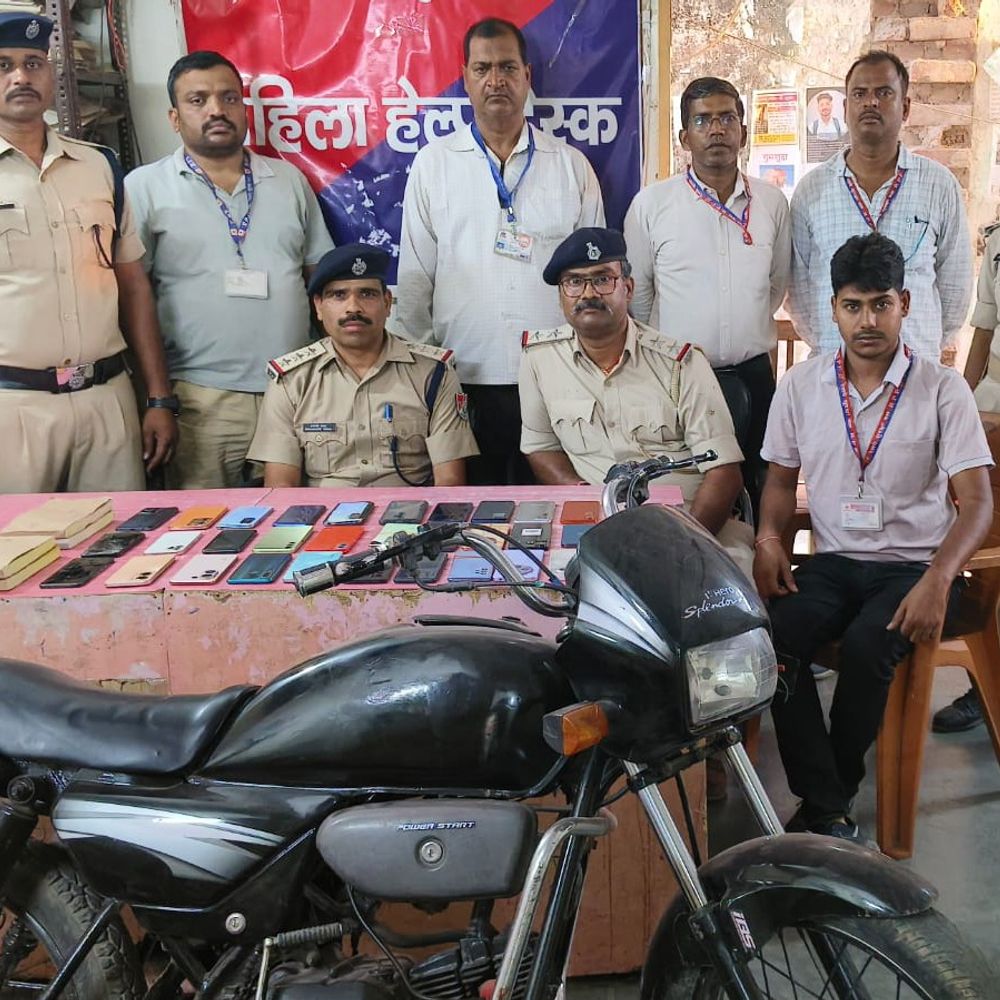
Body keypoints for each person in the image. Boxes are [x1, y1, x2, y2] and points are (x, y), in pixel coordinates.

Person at [755, 232, 992, 841]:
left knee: (867, 646)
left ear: (904, 304)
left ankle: (824, 804)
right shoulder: (801, 387)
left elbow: (977, 503)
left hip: (914, 567)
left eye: (881, 304)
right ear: (833, 308)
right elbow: (778, 481)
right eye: (853, 306)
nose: (867, 321)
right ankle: (829, 801)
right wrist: (769, 540)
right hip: (834, 562)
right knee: (770, 640)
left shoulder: (942, 389)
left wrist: (940, 578)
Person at [397, 17, 605, 485]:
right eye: (483, 68)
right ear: (465, 78)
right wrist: (426, 377)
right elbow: (414, 280)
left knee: (557, 513)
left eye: (508, 67)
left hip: (557, 377)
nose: (496, 80)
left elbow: (595, 279)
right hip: (462, 378)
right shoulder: (434, 165)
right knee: (473, 514)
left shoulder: (570, 166)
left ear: (527, 76)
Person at [125, 50, 333, 489]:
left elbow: (321, 281)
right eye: (197, 100)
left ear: (244, 108)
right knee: (206, 524)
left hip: (296, 394)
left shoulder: (288, 180)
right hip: (199, 401)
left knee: (299, 521)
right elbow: (131, 295)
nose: (216, 110)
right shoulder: (144, 187)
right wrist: (157, 398)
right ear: (174, 118)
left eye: (229, 98)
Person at [0, 12, 176, 493]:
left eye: (33, 63)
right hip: (14, 407)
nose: (20, 77)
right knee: (20, 538)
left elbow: (133, 286)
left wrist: (158, 398)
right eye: (3, 65)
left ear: (51, 73)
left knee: (121, 534)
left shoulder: (99, 166)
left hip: (105, 401)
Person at [519, 228, 754, 578]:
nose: (588, 294)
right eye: (574, 282)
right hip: (595, 527)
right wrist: (583, 499)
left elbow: (724, 472)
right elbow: (540, 447)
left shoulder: (681, 363)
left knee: (726, 601)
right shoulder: (539, 359)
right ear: (561, 296)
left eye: (603, 280)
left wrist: (682, 545)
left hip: (692, 525)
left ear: (627, 288)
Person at [624, 76, 790, 516]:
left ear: (743, 131)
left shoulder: (771, 203)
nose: (716, 129)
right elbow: (639, 298)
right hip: (679, 380)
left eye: (727, 118)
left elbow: (776, 284)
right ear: (684, 137)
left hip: (754, 377)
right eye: (702, 120)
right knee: (687, 494)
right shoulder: (651, 205)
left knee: (757, 489)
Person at [786, 51, 971, 360]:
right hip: (834, 370)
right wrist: (832, 345)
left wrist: (920, 347)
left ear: (906, 107)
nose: (870, 102)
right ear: (846, 108)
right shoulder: (811, 190)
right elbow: (799, 289)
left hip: (915, 371)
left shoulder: (939, 185)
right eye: (859, 94)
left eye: (884, 93)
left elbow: (955, 289)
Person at [247, 245, 478, 488]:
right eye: (339, 295)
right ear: (318, 307)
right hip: (325, 510)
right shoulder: (291, 380)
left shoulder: (433, 373)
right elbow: (281, 486)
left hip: (410, 509)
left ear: (387, 303)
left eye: (367, 294)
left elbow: (450, 482)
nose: (354, 308)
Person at [930, 221, 1000, 734]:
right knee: (988, 568)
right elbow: (985, 328)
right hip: (995, 416)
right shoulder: (998, 240)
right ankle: (985, 688)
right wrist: (968, 404)